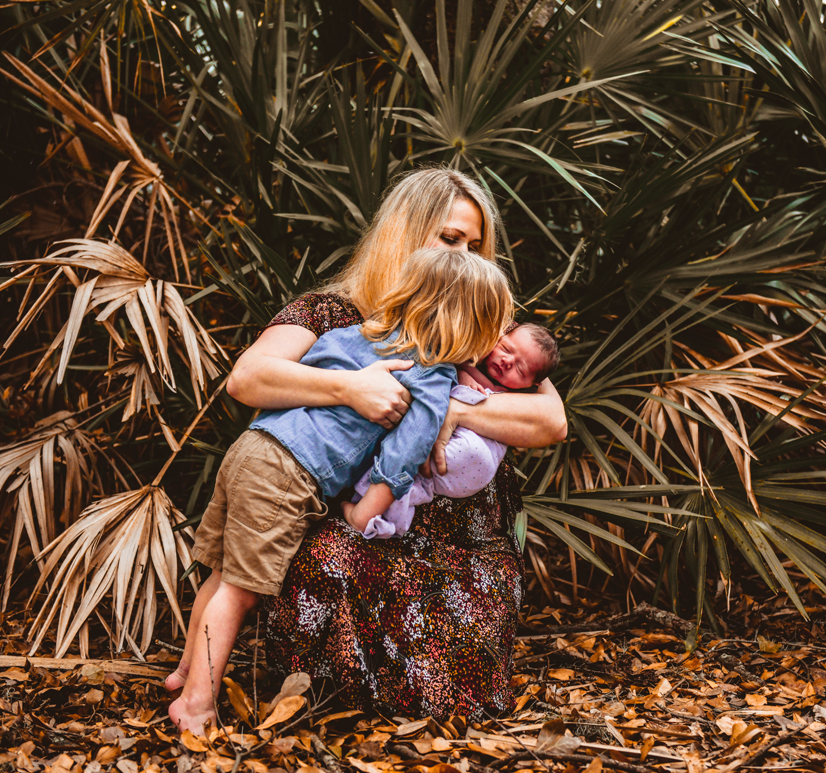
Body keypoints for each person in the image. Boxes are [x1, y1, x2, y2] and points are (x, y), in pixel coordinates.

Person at [203, 167, 567, 719]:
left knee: (446, 691)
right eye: (450, 239)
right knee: (324, 579)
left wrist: (443, 405)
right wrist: (351, 387)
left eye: (475, 245)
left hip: (463, 553)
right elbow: (248, 378)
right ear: (405, 233)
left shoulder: (480, 327)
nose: (465, 255)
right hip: (358, 531)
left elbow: (550, 421)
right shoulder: (333, 312)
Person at [167, 248, 513, 733]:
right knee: (240, 592)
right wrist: (365, 512)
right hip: (291, 473)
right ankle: (197, 702)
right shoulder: (432, 376)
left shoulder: (358, 334)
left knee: (222, 571)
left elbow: (313, 366)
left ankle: (186, 671)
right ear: (470, 328)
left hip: (253, 448)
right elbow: (403, 456)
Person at [351, 323, 560, 539]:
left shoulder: (518, 398)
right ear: (499, 337)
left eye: (520, 369)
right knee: (419, 484)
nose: (507, 362)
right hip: (473, 474)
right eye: (506, 349)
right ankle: (384, 522)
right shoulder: (481, 345)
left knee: (406, 461)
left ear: (533, 384)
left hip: (470, 450)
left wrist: (462, 374)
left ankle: (367, 511)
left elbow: (558, 425)